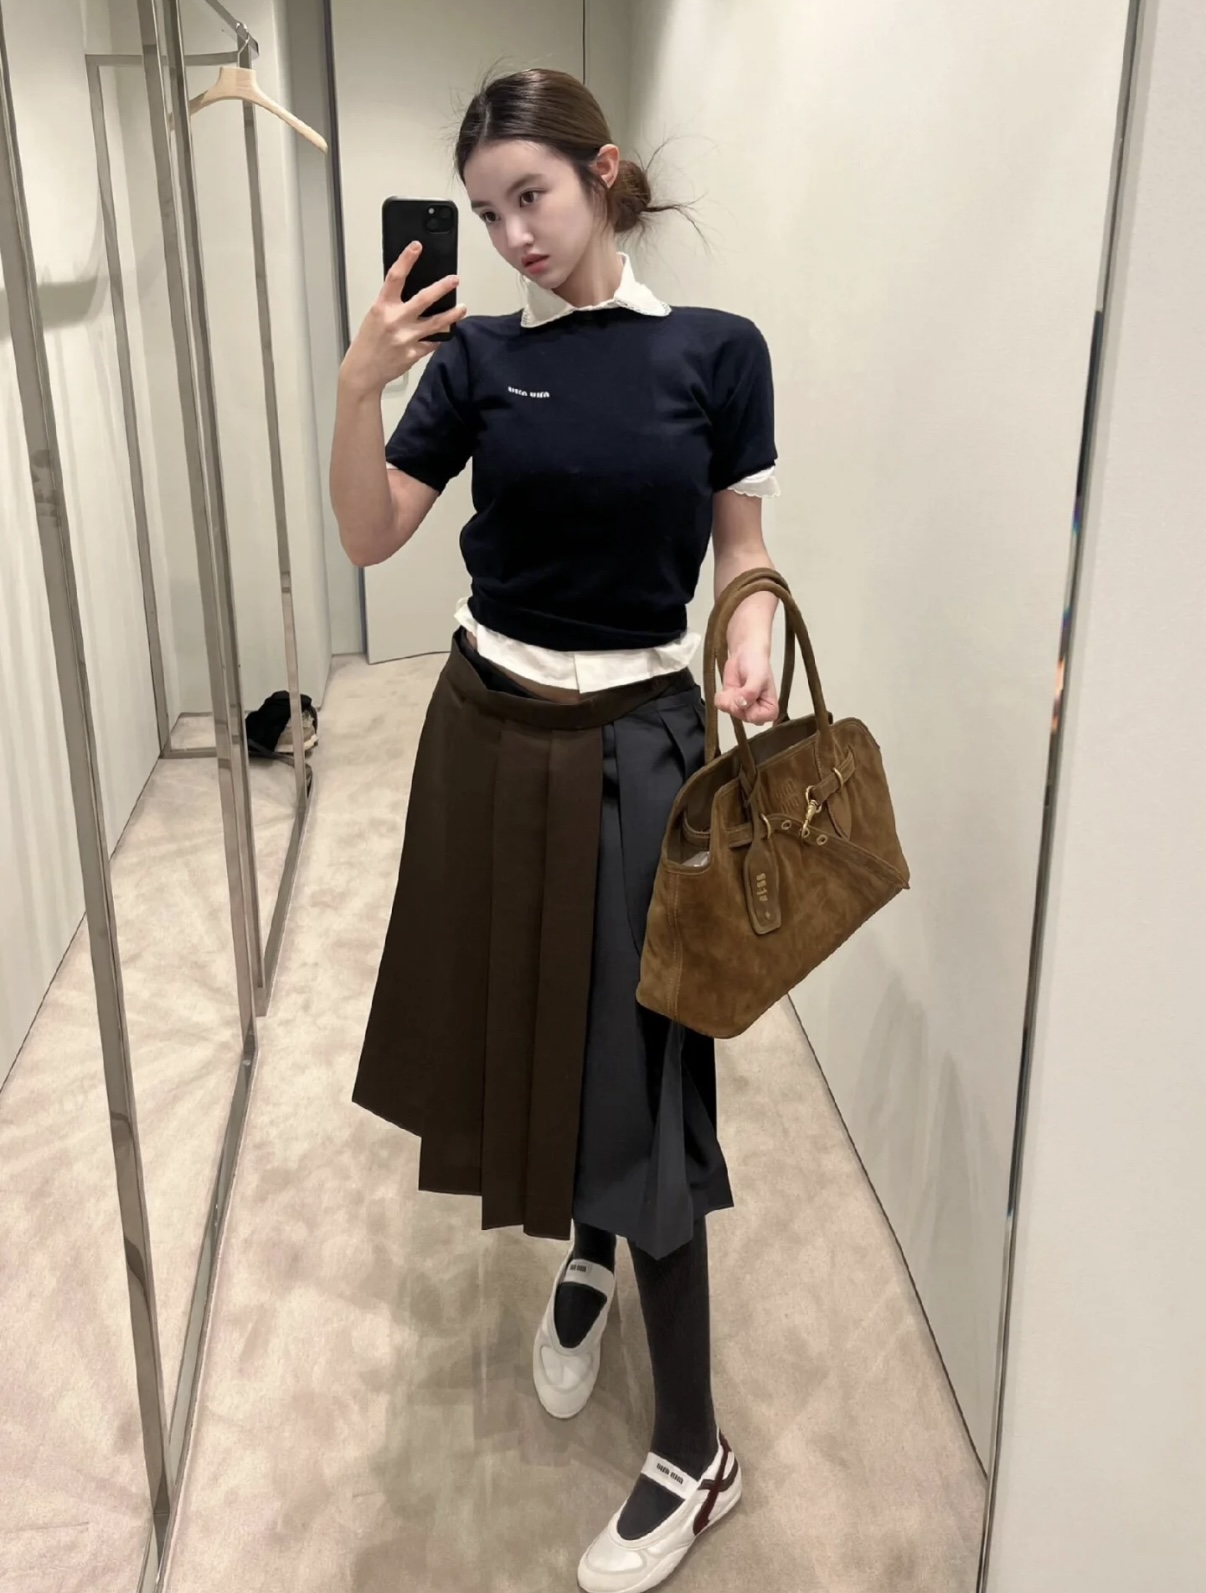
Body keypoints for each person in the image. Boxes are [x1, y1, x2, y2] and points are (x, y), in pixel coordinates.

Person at [330, 67, 780, 1593]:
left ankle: (696, 1450)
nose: (511, 233)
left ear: (600, 174)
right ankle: (585, 1244)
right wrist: (359, 388)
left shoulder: (714, 352)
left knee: (645, 1081)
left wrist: (752, 622)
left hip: (639, 741)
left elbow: (741, 547)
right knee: (527, 1019)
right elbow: (370, 532)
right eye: (484, 212)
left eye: (529, 194)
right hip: (483, 730)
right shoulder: (476, 363)